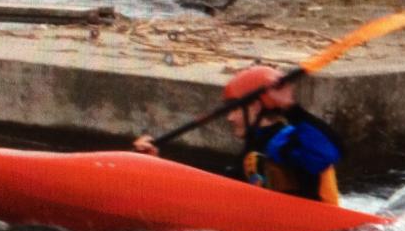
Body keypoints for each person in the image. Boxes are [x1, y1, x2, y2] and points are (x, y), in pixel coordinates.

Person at [134, 65, 343, 206]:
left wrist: (290, 107)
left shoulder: (283, 141)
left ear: (253, 107)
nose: (230, 118)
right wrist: (157, 168)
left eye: (233, 110)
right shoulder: (254, 147)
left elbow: (328, 153)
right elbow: (218, 189)